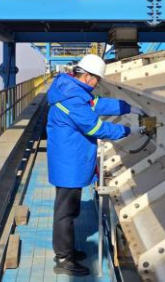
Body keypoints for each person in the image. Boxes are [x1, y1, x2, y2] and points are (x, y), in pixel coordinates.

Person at [46, 54, 145, 276]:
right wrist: (129, 130)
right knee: (65, 212)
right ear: (88, 76)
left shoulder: (72, 90)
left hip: (69, 159)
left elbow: (96, 104)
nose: (97, 84)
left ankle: (67, 251)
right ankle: (63, 258)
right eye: (97, 80)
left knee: (69, 209)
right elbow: (96, 128)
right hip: (69, 162)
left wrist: (127, 108)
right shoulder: (72, 99)